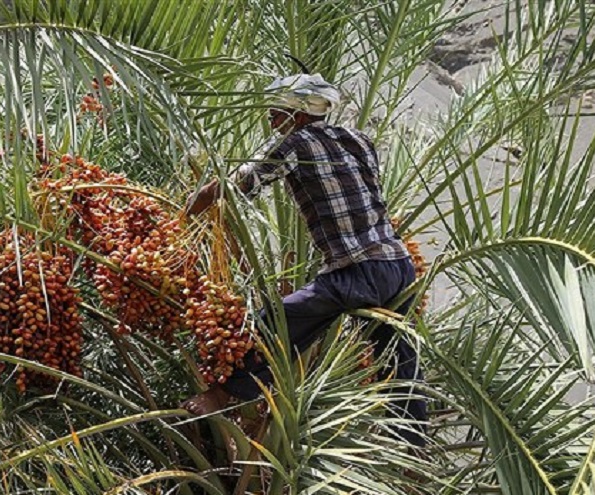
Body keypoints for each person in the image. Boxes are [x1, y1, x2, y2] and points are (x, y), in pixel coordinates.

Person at [182, 73, 427, 447]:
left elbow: (240, 184)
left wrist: (194, 207)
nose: (270, 119)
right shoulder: (360, 140)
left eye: (275, 111)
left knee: (276, 324)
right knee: (399, 360)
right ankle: (413, 446)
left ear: (295, 114)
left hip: (356, 272)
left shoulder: (293, 143)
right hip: (397, 266)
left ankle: (221, 395)